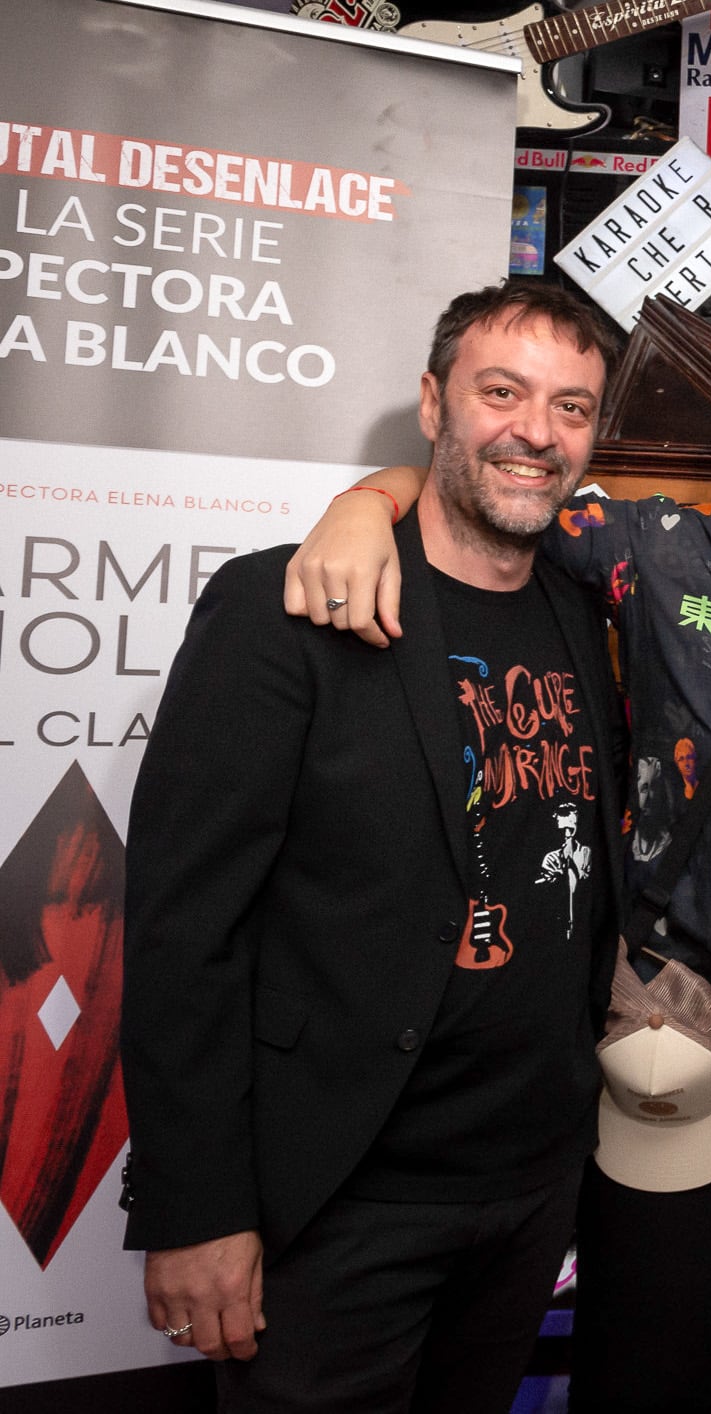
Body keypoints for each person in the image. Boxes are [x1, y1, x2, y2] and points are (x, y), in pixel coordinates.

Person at [283, 311, 711, 1413]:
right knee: (652, 1350)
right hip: (693, 998)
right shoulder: (663, 548)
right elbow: (490, 492)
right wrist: (361, 502)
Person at [122, 279, 626, 1409]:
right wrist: (196, 1208)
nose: (536, 431)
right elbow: (181, 928)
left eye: (572, 406)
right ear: (433, 403)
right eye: (503, 392)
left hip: (526, 1186)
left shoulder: (584, 616)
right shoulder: (284, 609)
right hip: (338, 1199)